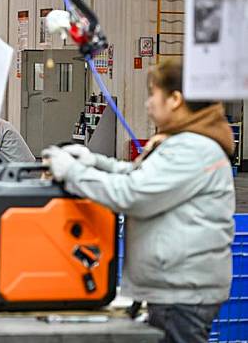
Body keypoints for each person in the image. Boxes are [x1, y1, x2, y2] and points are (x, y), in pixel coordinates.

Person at [42, 57, 235, 343]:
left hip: (182, 293)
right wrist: (95, 162)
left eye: (152, 94)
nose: (148, 103)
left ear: (175, 99)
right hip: (175, 288)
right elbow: (142, 176)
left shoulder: (193, 148)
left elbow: (132, 193)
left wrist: (73, 173)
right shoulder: (187, 142)